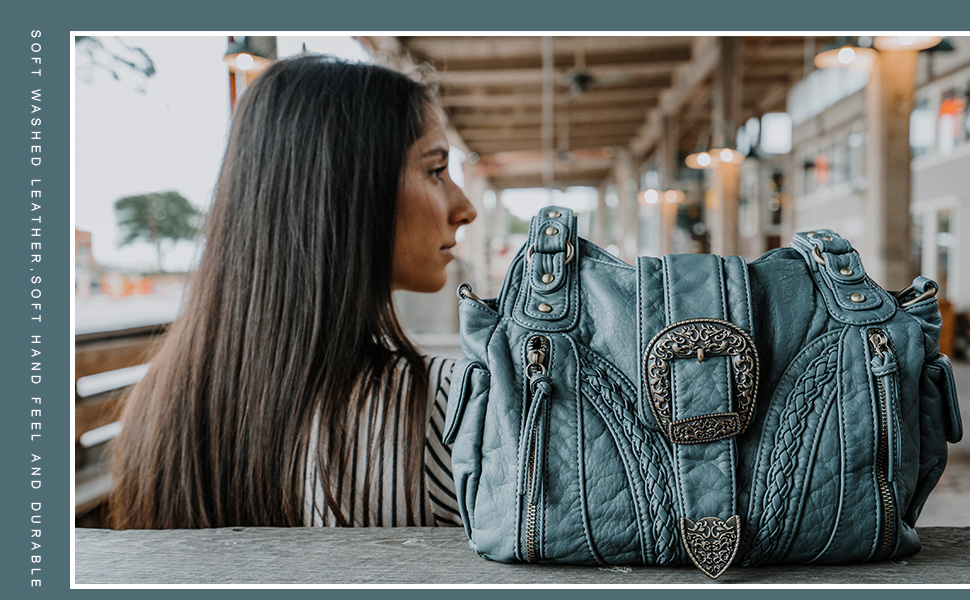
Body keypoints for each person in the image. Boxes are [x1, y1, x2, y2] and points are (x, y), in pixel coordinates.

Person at [108, 56, 477, 529]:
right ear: (350, 192)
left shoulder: (159, 408)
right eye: (436, 170)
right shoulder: (445, 409)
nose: (464, 208)